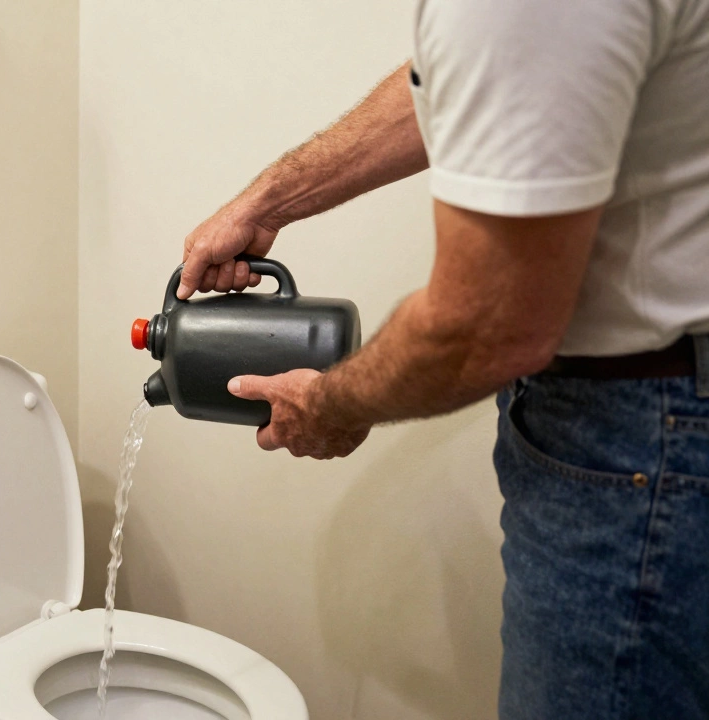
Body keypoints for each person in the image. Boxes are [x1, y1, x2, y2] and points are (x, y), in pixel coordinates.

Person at [178, 1, 709, 718]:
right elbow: (457, 80)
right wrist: (272, 201)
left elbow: (486, 323)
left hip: (645, 447)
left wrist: (332, 405)